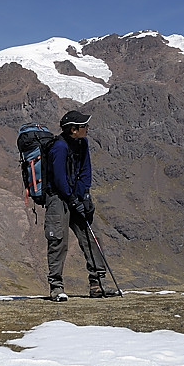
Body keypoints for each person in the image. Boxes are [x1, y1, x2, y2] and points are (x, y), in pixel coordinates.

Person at [43, 110, 108, 301]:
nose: (87, 129)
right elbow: (59, 179)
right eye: (84, 126)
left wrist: (85, 196)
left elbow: (85, 170)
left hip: (75, 195)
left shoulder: (83, 143)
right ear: (73, 129)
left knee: (91, 235)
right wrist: (72, 200)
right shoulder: (59, 148)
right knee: (58, 241)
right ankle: (56, 287)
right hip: (57, 198)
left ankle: (97, 284)